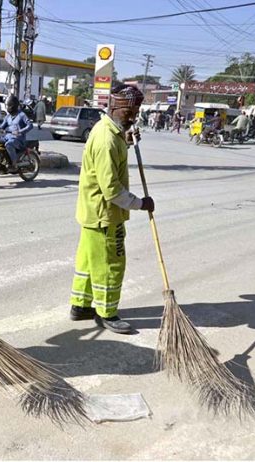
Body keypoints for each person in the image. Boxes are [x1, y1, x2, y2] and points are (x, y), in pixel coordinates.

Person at [69, 84, 155, 334]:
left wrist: (127, 142)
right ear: (116, 107)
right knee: (111, 264)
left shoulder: (108, 131)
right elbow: (112, 190)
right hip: (105, 216)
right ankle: (107, 312)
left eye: (136, 111)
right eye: (130, 111)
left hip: (90, 213)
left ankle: (80, 305)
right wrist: (141, 203)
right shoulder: (107, 139)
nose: (134, 116)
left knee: (88, 262)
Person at [0, 95, 33, 172]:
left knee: (8, 144)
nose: (7, 107)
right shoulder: (8, 116)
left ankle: (14, 164)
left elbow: (30, 125)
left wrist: (20, 131)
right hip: (8, 137)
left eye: (8, 106)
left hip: (19, 140)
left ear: (13, 106)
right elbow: (1, 127)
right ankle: (3, 161)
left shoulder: (22, 115)